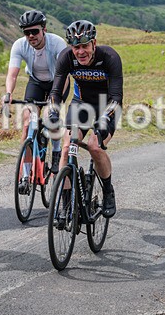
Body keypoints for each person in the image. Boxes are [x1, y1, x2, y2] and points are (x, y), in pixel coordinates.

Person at [48, 20, 123, 219]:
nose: (80, 52)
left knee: (94, 146)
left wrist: (104, 120)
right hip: (81, 104)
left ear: (94, 43)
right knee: (67, 147)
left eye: (84, 46)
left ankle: (108, 191)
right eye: (76, 47)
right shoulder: (66, 57)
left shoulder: (109, 57)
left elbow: (116, 97)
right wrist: (54, 113)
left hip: (107, 106)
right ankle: (66, 204)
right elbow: (56, 91)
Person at [2, 10, 68, 193]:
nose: (31, 36)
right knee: (27, 124)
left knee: (51, 117)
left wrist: (54, 101)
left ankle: (56, 153)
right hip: (36, 82)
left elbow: (64, 75)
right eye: (27, 32)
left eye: (35, 31)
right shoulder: (19, 45)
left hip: (57, 82)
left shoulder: (57, 43)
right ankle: (25, 176)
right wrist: (8, 94)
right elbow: (12, 74)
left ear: (44, 30)